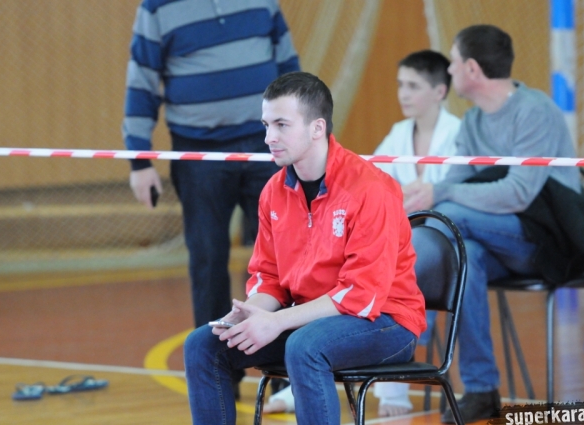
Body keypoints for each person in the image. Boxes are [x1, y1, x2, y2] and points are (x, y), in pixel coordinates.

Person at [183, 71, 427, 425]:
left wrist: (276, 322)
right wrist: (253, 314)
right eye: (266, 125)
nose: (269, 137)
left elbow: (361, 296)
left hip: (386, 323)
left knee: (305, 346)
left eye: (281, 125)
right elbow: (269, 277)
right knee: (204, 345)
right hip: (309, 321)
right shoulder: (273, 191)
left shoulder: (371, 189)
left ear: (317, 128)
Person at [404, 25, 580, 423]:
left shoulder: (534, 111)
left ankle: (412, 326)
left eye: (452, 62)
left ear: (471, 69)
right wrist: (425, 195)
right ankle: (482, 389)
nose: (449, 69)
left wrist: (440, 194)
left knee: (450, 215)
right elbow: (454, 186)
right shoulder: (472, 124)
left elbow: (518, 194)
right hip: (495, 241)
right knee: (464, 257)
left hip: (548, 242)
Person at [122, 0, 300, 394]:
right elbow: (142, 80)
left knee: (286, 260)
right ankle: (218, 377)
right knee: (207, 262)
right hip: (197, 152)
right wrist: (139, 160)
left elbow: (289, 67)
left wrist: (298, 134)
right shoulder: (157, 8)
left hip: (267, 147)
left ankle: (285, 378)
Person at [371, 49, 461, 417]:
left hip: (441, 245)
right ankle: (307, 375)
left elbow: (460, 193)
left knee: (405, 270)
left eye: (413, 86)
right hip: (398, 240)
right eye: (400, 85)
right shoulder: (398, 134)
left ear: (440, 91)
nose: (403, 94)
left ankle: (392, 388)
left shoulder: (458, 134)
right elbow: (371, 182)